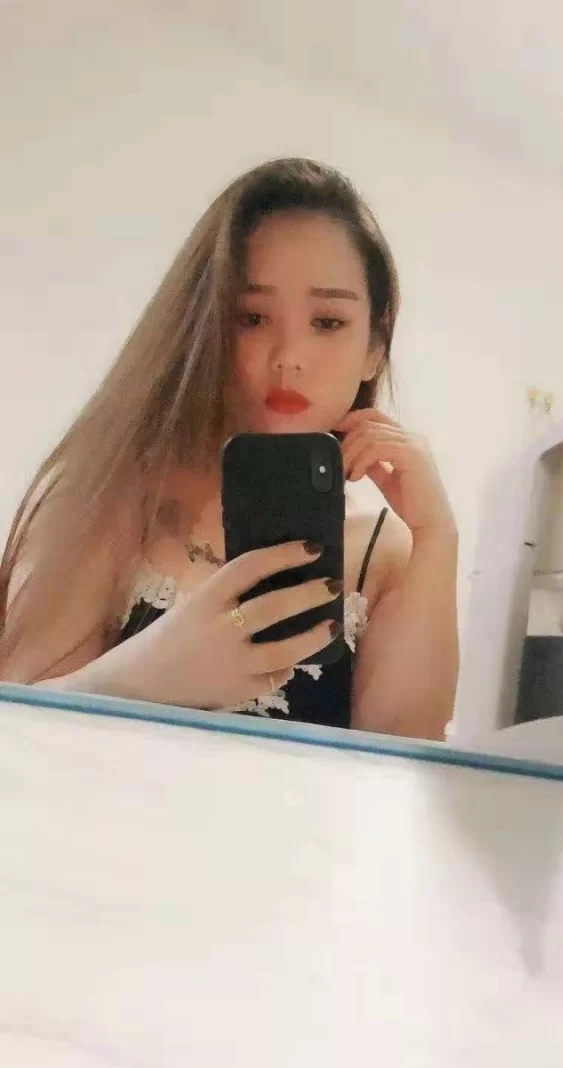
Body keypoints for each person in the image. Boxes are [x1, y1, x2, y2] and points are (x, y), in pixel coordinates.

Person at [0, 158, 459, 740]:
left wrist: (438, 538)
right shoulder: (112, 492)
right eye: (252, 317)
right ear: (206, 326)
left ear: (375, 347)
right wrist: (145, 676)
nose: (288, 357)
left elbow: (400, 769)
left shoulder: (385, 553)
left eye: (327, 321)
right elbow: (17, 735)